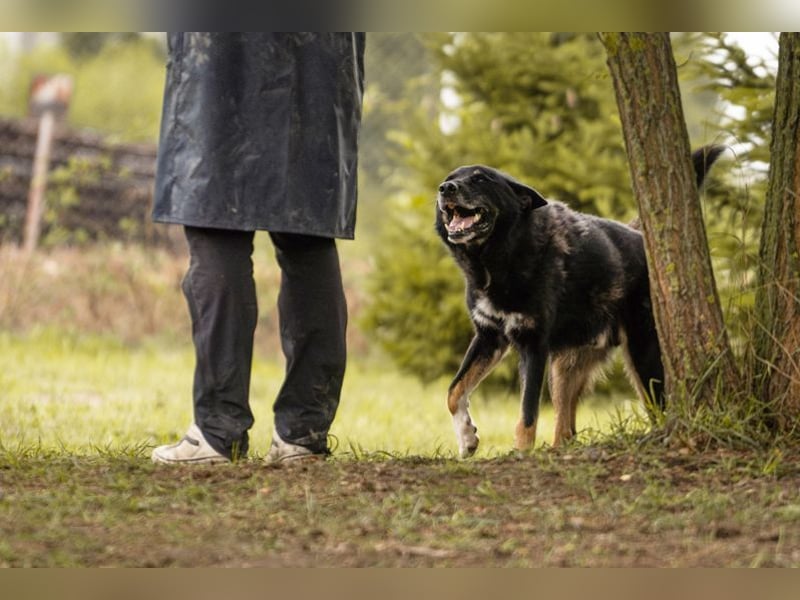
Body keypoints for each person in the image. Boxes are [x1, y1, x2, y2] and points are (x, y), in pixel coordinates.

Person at [150, 32, 365, 464]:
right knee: (308, 236)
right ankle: (302, 435)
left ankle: (217, 431)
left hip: (218, 54)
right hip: (318, 57)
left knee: (217, 229)